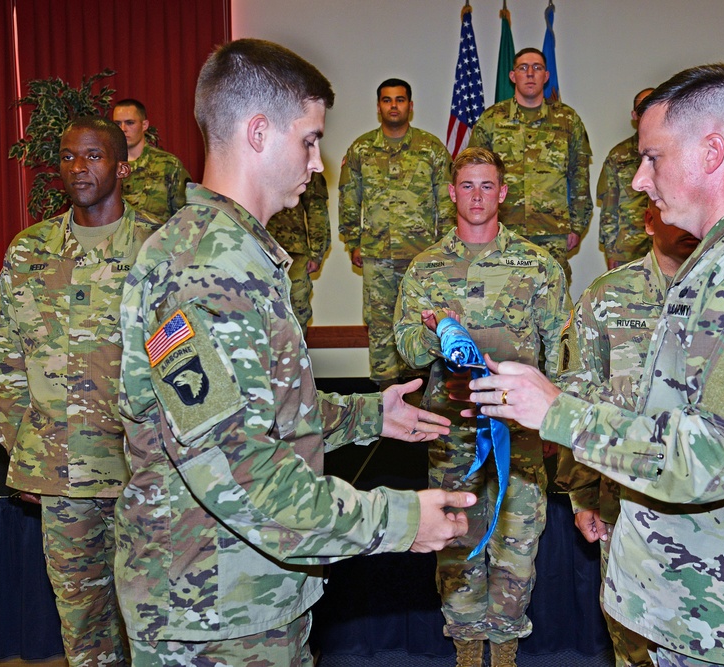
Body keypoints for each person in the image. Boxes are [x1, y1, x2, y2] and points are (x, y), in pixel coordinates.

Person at [468, 63, 724, 667]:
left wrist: (559, 414)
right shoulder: (723, 263)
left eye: (652, 158)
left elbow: (710, 458)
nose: (639, 182)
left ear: (712, 151)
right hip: (695, 613)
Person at [115, 39, 475, 666]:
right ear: (258, 132)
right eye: (309, 140)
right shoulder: (201, 270)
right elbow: (236, 468)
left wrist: (368, 417)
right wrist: (397, 519)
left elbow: (265, 406)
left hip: (251, 596)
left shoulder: (239, 256)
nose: (317, 163)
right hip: (210, 616)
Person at [0, 116, 163, 667]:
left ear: (122, 166)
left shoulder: (161, 248)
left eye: (93, 156)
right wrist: (25, 458)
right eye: (67, 157)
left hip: (147, 470)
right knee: (83, 624)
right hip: (60, 473)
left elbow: (184, 367)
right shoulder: (30, 250)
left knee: (156, 614)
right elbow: (8, 360)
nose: (78, 167)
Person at [394, 147, 569, 667]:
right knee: (457, 545)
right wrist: (434, 336)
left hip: (521, 432)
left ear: (504, 193)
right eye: (467, 186)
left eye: (487, 186)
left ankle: (507, 651)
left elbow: (559, 351)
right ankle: (468, 652)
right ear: (452, 192)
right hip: (454, 435)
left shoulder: (539, 266)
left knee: (518, 547)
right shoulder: (426, 268)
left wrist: (563, 428)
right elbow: (404, 347)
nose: (477, 196)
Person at [555, 199, 698, 667]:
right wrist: (582, 494)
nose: (685, 225)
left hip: (714, 510)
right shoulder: (606, 297)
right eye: (670, 213)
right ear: (648, 221)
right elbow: (577, 400)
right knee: (634, 646)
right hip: (628, 509)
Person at [339, 78, 454, 388]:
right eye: (387, 100)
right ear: (379, 107)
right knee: (379, 326)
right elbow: (350, 197)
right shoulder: (361, 149)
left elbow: (446, 201)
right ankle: (385, 397)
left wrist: (445, 249)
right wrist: (352, 241)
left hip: (423, 257)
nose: (393, 106)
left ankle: (421, 392)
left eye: (400, 100)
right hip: (377, 256)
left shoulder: (431, 149)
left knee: (424, 323)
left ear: (410, 106)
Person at [468, 47, 592, 278]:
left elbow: (579, 177)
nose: (530, 73)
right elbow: (474, 177)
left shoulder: (567, 120)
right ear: (513, 76)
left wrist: (576, 226)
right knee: (500, 300)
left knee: (552, 302)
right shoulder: (491, 120)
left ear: (546, 76)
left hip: (552, 231)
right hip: (502, 229)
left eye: (537, 68)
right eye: (523, 68)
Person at [266, 170, 330, 331]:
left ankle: (295, 357)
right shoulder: (252, 157)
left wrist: (316, 253)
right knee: (260, 314)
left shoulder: (303, 162)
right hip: (255, 247)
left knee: (296, 316)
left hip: (292, 254)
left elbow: (317, 211)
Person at [598, 88, 655, 270]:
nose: (648, 113)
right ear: (634, 115)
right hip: (628, 248)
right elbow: (609, 209)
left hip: (669, 246)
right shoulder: (618, 155)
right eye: (642, 109)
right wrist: (611, 251)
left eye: (653, 107)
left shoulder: (678, 153)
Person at [112, 98, 191, 221]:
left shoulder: (168, 164)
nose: (123, 129)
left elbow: (185, 216)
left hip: (159, 238)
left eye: (130, 123)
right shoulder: (107, 166)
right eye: (117, 123)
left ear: (144, 125)